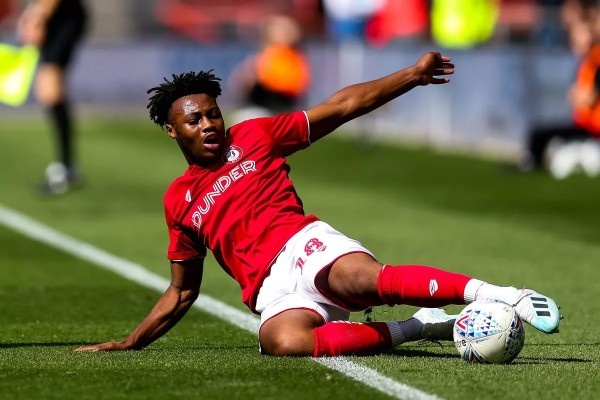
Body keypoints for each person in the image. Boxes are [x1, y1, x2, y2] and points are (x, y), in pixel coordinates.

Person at [74, 52, 561, 357]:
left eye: (213, 114)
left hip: (305, 246)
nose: (208, 125)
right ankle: (418, 327)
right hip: (271, 290)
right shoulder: (179, 201)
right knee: (282, 342)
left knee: (361, 282)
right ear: (171, 130)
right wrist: (132, 341)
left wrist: (412, 75)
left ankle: (503, 294)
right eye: (194, 120)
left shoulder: (255, 135)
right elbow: (183, 291)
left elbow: (342, 106)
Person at [517, 0, 600, 173]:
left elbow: (589, 96)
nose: (573, 38)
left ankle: (534, 164)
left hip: (594, 130)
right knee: (540, 133)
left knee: (544, 137)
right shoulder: (585, 62)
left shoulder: (596, 60)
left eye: (579, 34)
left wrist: (583, 96)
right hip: (585, 126)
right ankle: (533, 163)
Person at [16, 0, 88, 195]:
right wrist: (31, 14)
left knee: (50, 88)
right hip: (54, 18)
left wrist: (37, 17)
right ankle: (67, 165)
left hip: (65, 17)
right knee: (47, 91)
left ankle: (66, 166)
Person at [228, 14, 310, 123]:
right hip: (264, 105)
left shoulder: (295, 57)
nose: (288, 33)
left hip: (286, 105)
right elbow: (240, 83)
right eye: (282, 30)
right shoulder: (265, 57)